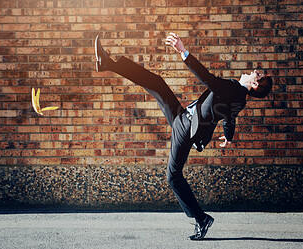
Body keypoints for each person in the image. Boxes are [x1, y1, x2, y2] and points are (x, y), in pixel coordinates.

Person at [94, 33, 273, 240]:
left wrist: (183, 51)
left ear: (256, 85)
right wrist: (228, 136)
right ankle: (108, 63)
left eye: (257, 75)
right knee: (157, 83)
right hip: (184, 119)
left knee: (173, 176)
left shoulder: (234, 89)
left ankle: (200, 219)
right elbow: (229, 118)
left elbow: (207, 78)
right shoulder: (240, 98)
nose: (253, 71)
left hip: (187, 127)